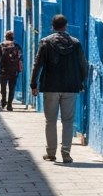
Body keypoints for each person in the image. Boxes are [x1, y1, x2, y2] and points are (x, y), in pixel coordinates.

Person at [30, 13, 88, 163]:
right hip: (70, 88)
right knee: (68, 122)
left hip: (50, 87)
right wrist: (81, 82)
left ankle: (51, 152)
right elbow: (84, 66)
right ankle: (66, 154)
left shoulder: (46, 43)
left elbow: (37, 65)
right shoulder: (75, 44)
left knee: (50, 121)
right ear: (66, 26)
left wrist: (33, 84)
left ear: (53, 26)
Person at [0, 30, 24, 112]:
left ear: (6, 37)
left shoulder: (1, 45)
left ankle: (3, 100)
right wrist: (20, 68)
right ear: (13, 37)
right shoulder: (17, 46)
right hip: (13, 71)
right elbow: (20, 58)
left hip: (3, 70)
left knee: (3, 87)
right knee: (12, 88)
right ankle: (10, 105)